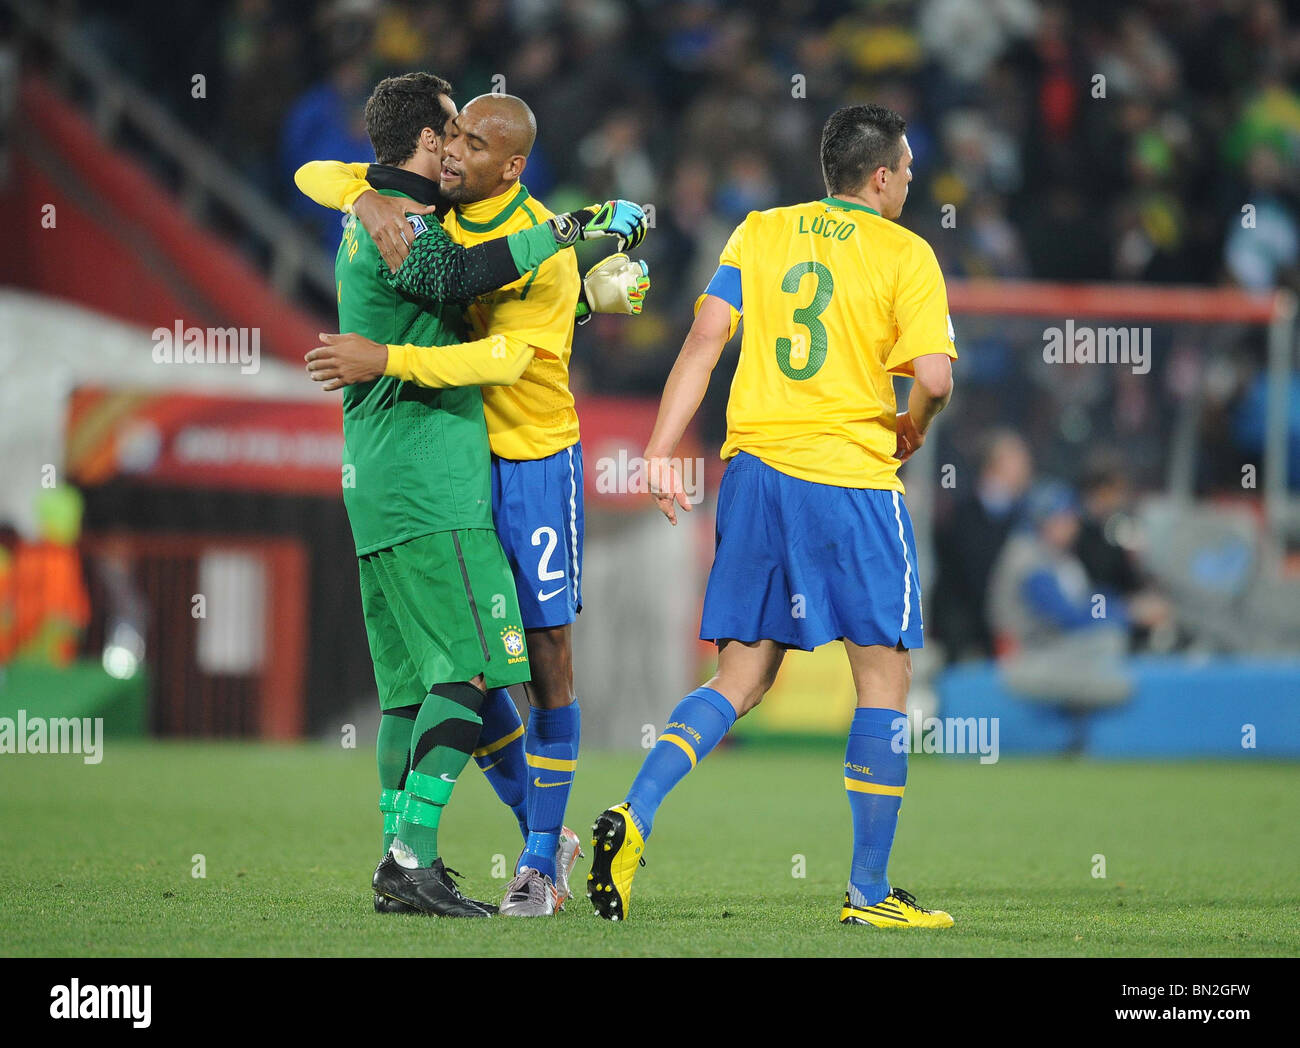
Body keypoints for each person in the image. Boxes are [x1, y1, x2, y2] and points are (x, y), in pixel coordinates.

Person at [587, 103, 958, 928]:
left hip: (754, 475)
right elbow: (933, 376)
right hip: (852, 481)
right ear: (883, 177)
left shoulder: (759, 230)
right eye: (906, 172)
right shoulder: (908, 252)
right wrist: (913, 427)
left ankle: (635, 816)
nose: (909, 185)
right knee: (885, 680)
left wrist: (657, 448)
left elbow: (704, 340)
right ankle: (869, 894)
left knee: (740, 677)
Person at [299, 91, 649, 917]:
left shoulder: (540, 247)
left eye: (474, 141)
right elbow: (318, 170)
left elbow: (501, 357)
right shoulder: (420, 211)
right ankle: (533, 843)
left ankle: (520, 856)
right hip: (450, 467)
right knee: (477, 669)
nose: (456, 150)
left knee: (542, 654)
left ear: (512, 165)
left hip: (526, 462)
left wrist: (386, 355)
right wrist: (361, 193)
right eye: (451, 133)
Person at [932, 429, 1033, 660]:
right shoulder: (962, 519)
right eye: (1018, 462)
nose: (1027, 469)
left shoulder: (1021, 518)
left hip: (1007, 638)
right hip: (965, 640)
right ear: (995, 465)